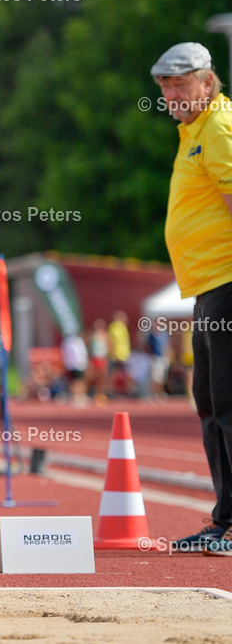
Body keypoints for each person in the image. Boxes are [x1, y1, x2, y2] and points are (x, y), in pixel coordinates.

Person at [150, 42, 232, 555]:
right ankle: (224, 521)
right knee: (210, 405)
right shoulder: (194, 130)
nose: (170, 95)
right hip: (207, 287)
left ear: (207, 81)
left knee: (227, 405)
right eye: (163, 88)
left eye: (179, 85)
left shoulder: (219, 126)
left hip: (228, 283)